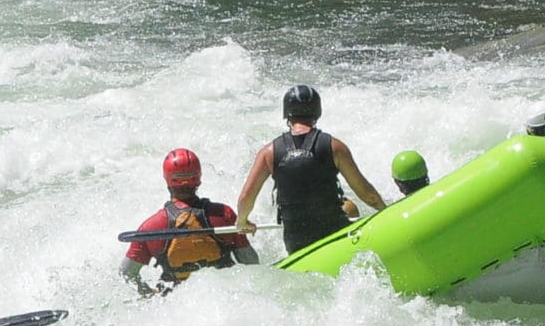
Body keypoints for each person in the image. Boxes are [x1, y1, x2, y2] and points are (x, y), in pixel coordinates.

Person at [234, 84, 387, 254]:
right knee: (350, 207)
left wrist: (242, 222)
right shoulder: (335, 146)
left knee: (348, 207)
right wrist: (385, 212)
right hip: (335, 236)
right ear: (317, 111)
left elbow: (245, 198)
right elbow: (368, 195)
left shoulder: (268, 153)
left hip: (296, 245)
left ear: (287, 114)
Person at [122, 148, 255, 293]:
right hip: (226, 297)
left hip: (176, 304)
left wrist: (149, 295)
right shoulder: (224, 215)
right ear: (199, 177)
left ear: (167, 178)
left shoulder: (150, 228)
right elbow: (250, 263)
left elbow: (127, 274)